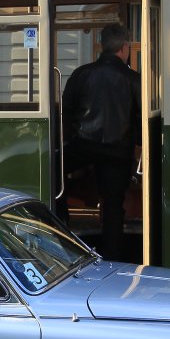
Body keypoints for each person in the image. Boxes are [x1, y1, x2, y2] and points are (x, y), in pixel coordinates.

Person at [62, 24, 140, 263]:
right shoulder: (134, 79)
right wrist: (135, 146)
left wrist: (71, 137)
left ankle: (61, 227)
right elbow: (139, 118)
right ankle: (112, 256)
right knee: (114, 205)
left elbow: (67, 109)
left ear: (103, 46)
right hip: (118, 151)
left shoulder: (82, 74)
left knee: (53, 171)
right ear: (124, 48)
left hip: (83, 145)